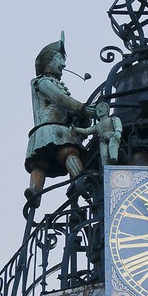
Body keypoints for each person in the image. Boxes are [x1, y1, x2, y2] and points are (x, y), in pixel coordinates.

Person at [24, 35, 97, 207]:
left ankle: (78, 185)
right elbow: (60, 98)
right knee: (60, 155)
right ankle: (36, 192)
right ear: (49, 61)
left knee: (49, 160)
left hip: (58, 129)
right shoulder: (42, 82)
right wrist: (82, 108)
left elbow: (67, 111)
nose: (63, 65)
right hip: (50, 129)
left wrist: (80, 118)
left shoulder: (53, 82)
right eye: (60, 59)